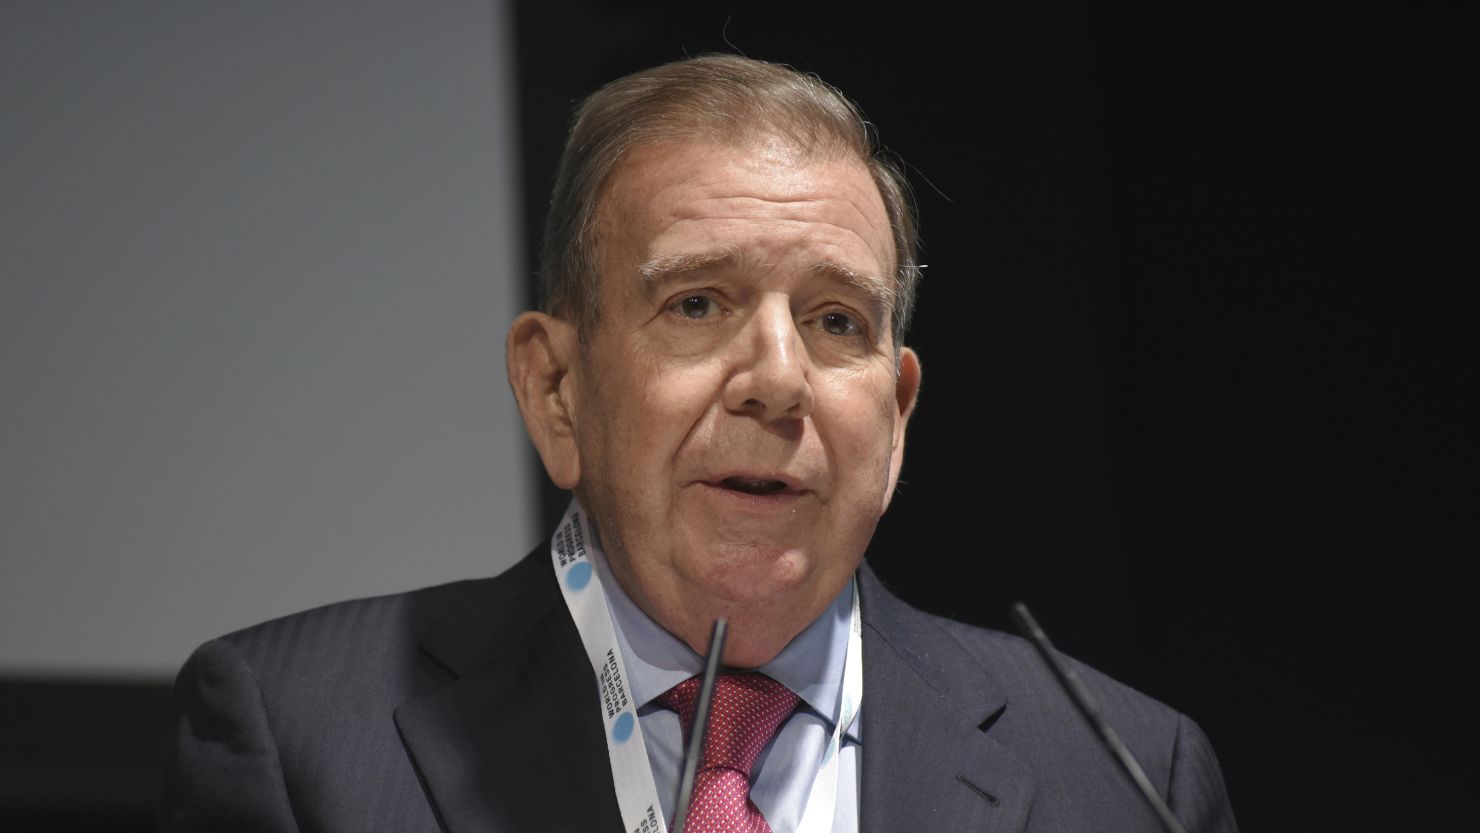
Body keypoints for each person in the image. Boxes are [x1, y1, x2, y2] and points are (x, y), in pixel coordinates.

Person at [160, 54, 1238, 833]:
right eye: (697, 303)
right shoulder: (301, 736)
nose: (779, 379)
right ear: (556, 390)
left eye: (835, 320)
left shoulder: (1126, 776)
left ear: (897, 414)